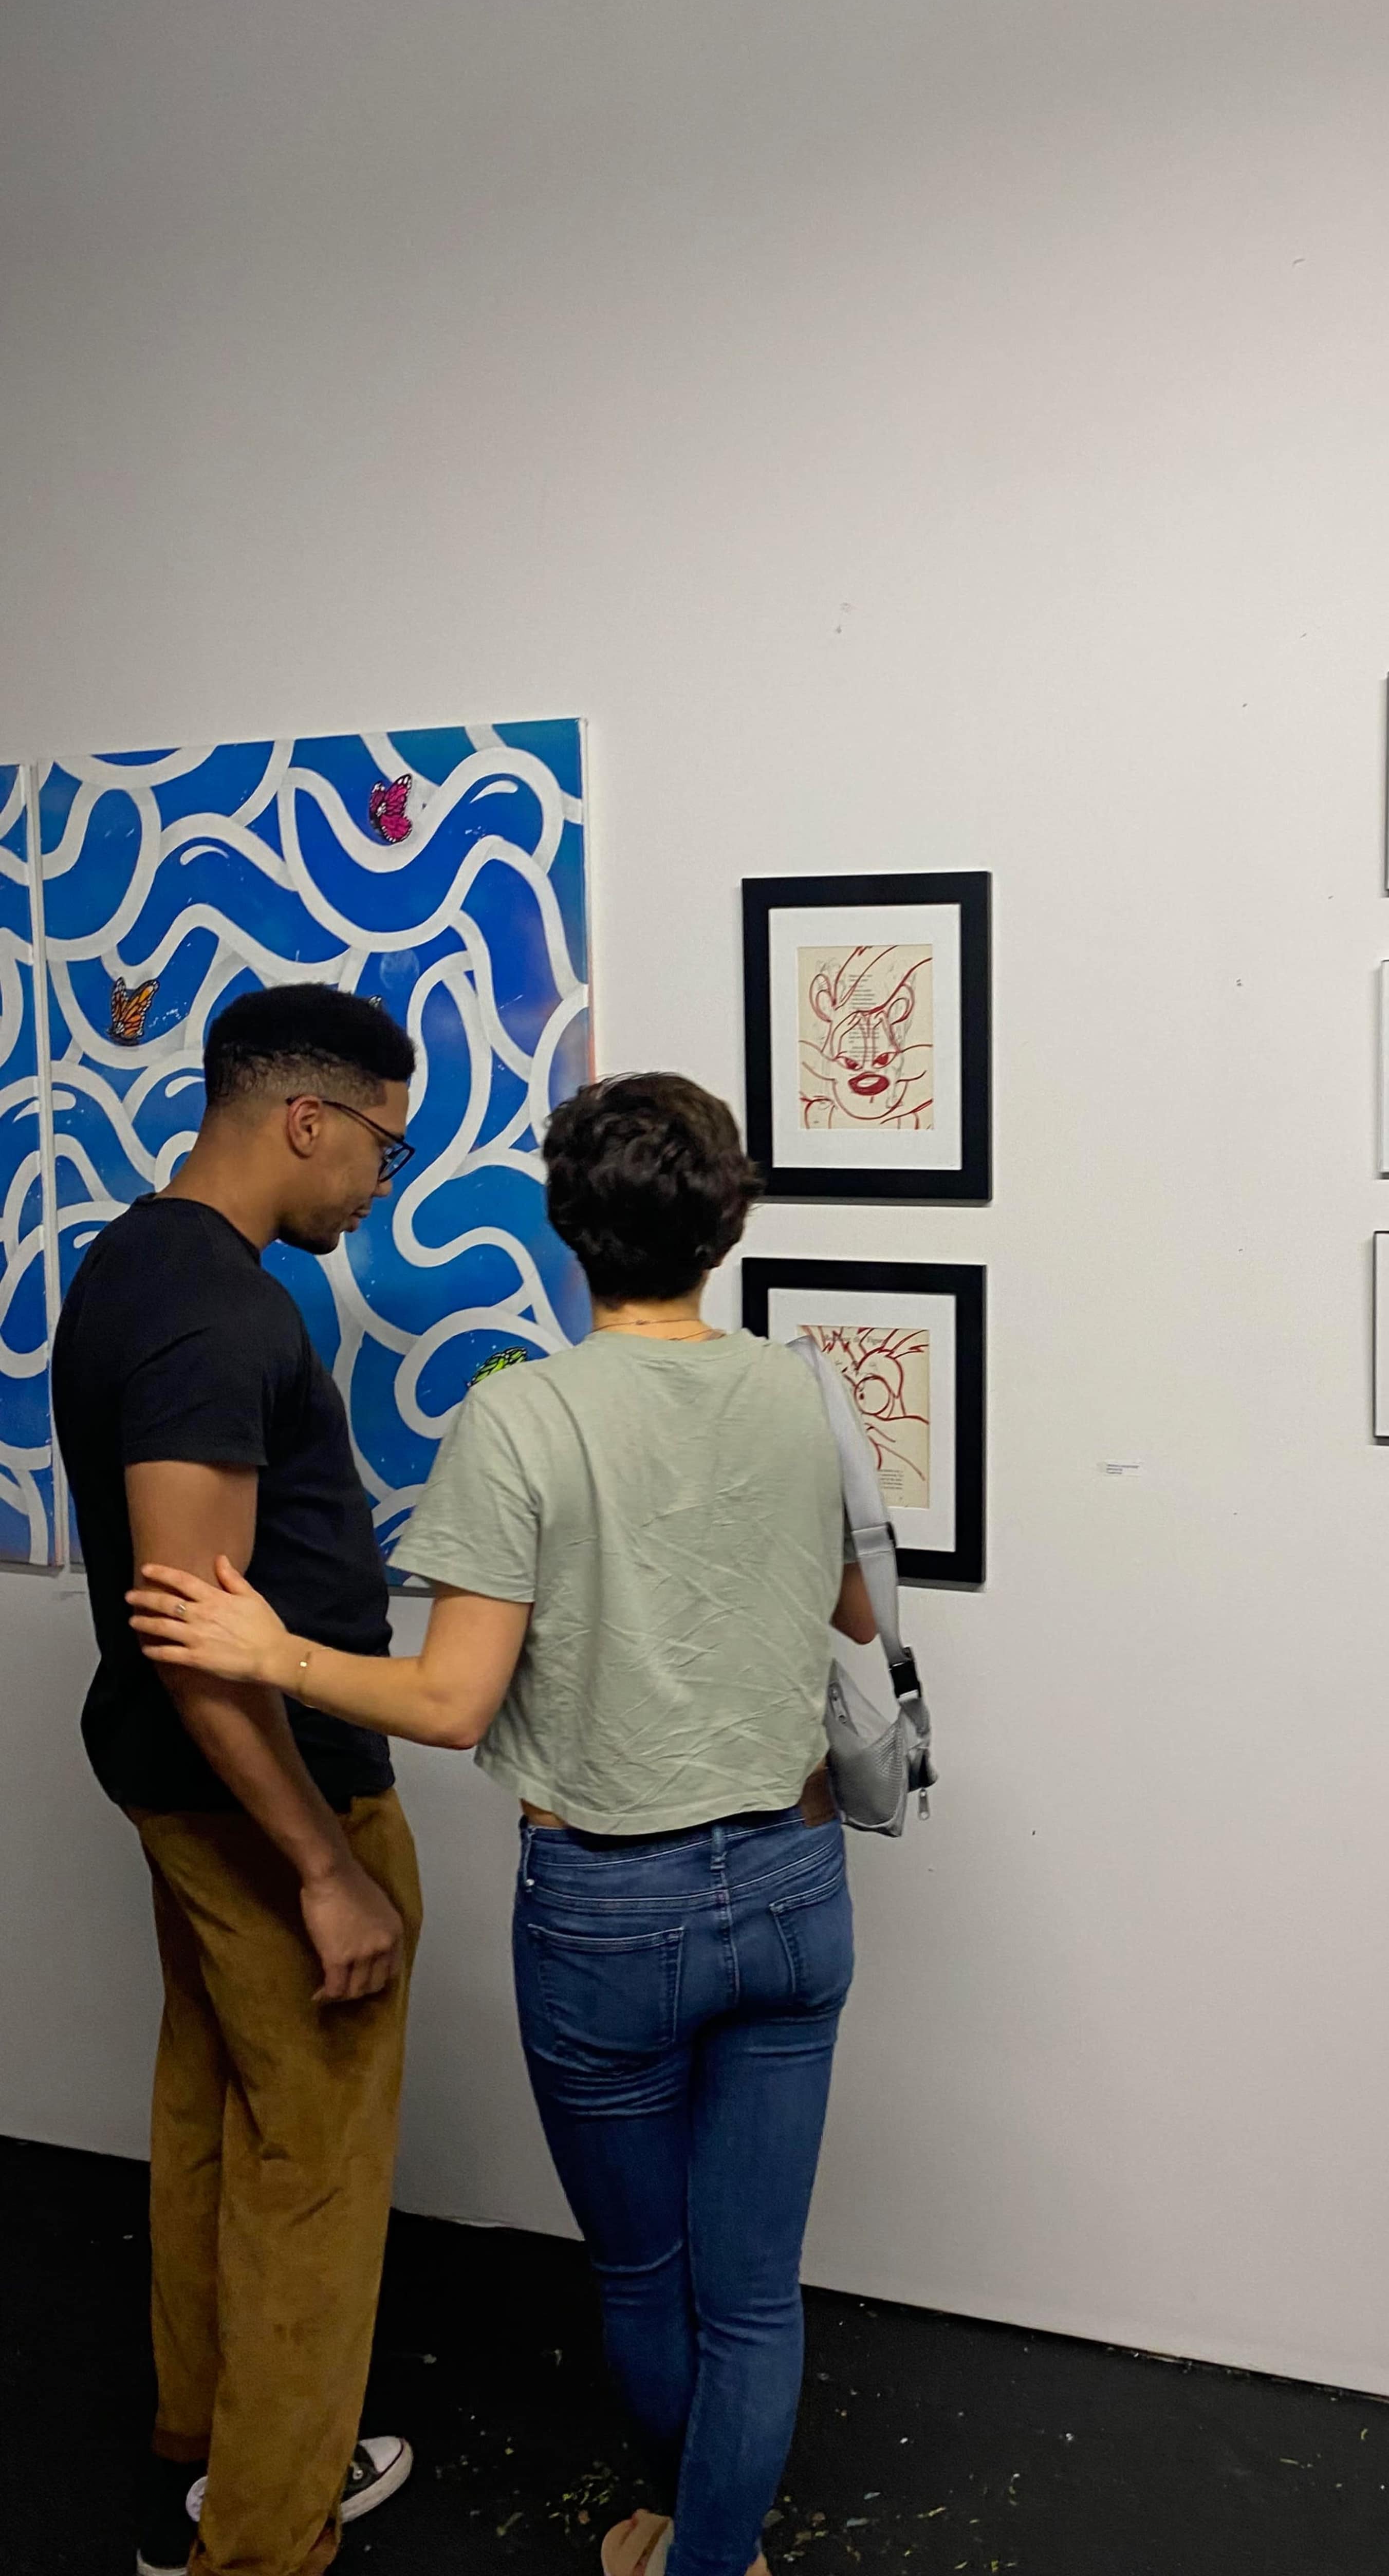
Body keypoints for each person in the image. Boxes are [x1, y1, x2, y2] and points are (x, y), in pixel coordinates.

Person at [128, 1071, 878, 2576]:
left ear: (565, 1226)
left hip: (614, 1908)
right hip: (797, 1884)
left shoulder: (523, 1415)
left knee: (645, 2267)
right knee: (754, 2295)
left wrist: (277, 1656)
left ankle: (681, 2523)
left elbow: (453, 1700)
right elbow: (856, 1611)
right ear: (727, 1222)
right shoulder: (809, 1388)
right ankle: (708, 2555)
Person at [51, 983, 425, 2576]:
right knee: (316, 2161)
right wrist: (327, 1869)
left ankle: (213, 2442)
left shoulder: (132, 1260)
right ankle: (265, 2539)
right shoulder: (220, 1313)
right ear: (306, 1119)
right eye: (384, 1151)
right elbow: (193, 1631)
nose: (381, 1185)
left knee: (214, 2099)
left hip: (180, 1790)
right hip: (278, 1799)